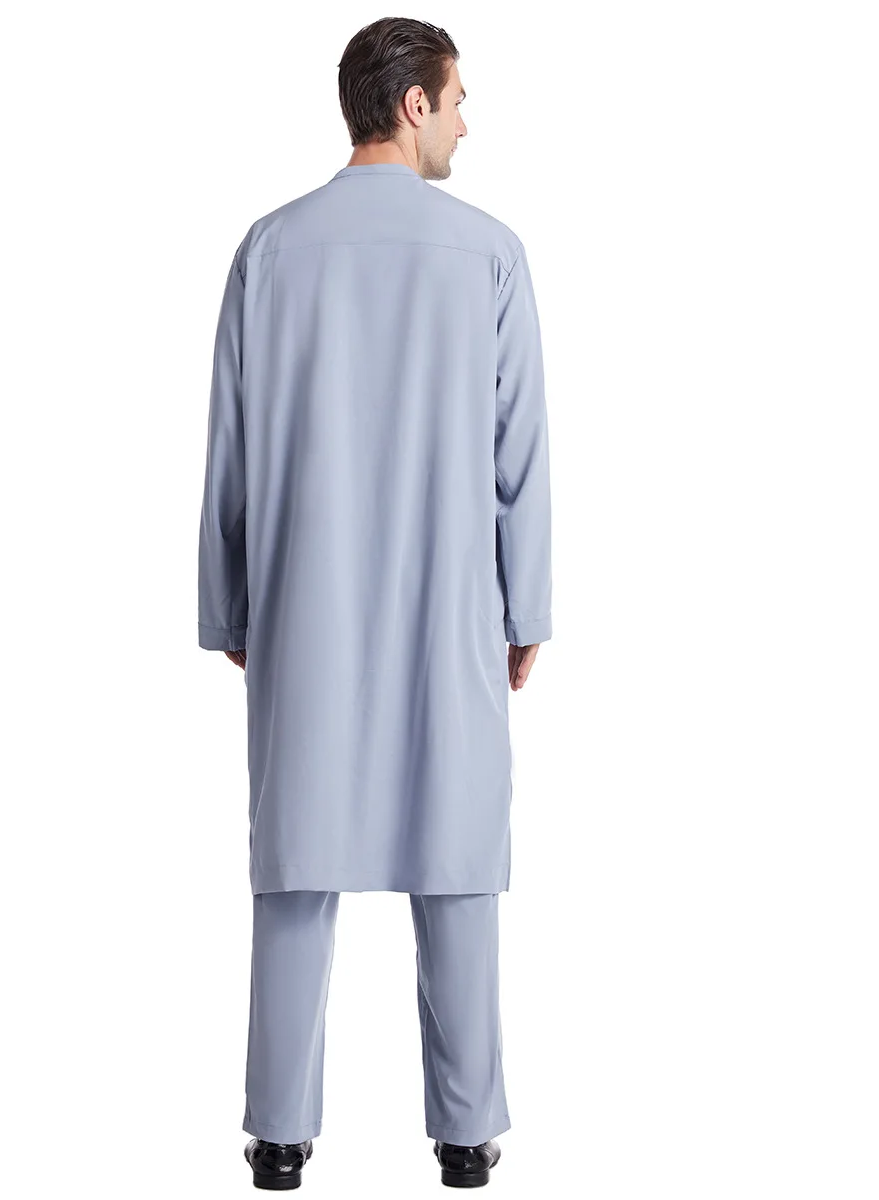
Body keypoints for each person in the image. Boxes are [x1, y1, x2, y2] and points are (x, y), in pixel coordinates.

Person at [197, 17, 553, 1190]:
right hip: (451, 605)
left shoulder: (271, 249)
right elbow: (520, 455)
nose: (466, 123)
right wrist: (526, 605)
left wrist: (229, 605)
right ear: (412, 106)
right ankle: (467, 1132)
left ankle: (278, 1133)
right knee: (456, 859)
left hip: (306, 605)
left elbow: (231, 449)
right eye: (458, 100)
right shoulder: (488, 254)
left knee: (298, 864)